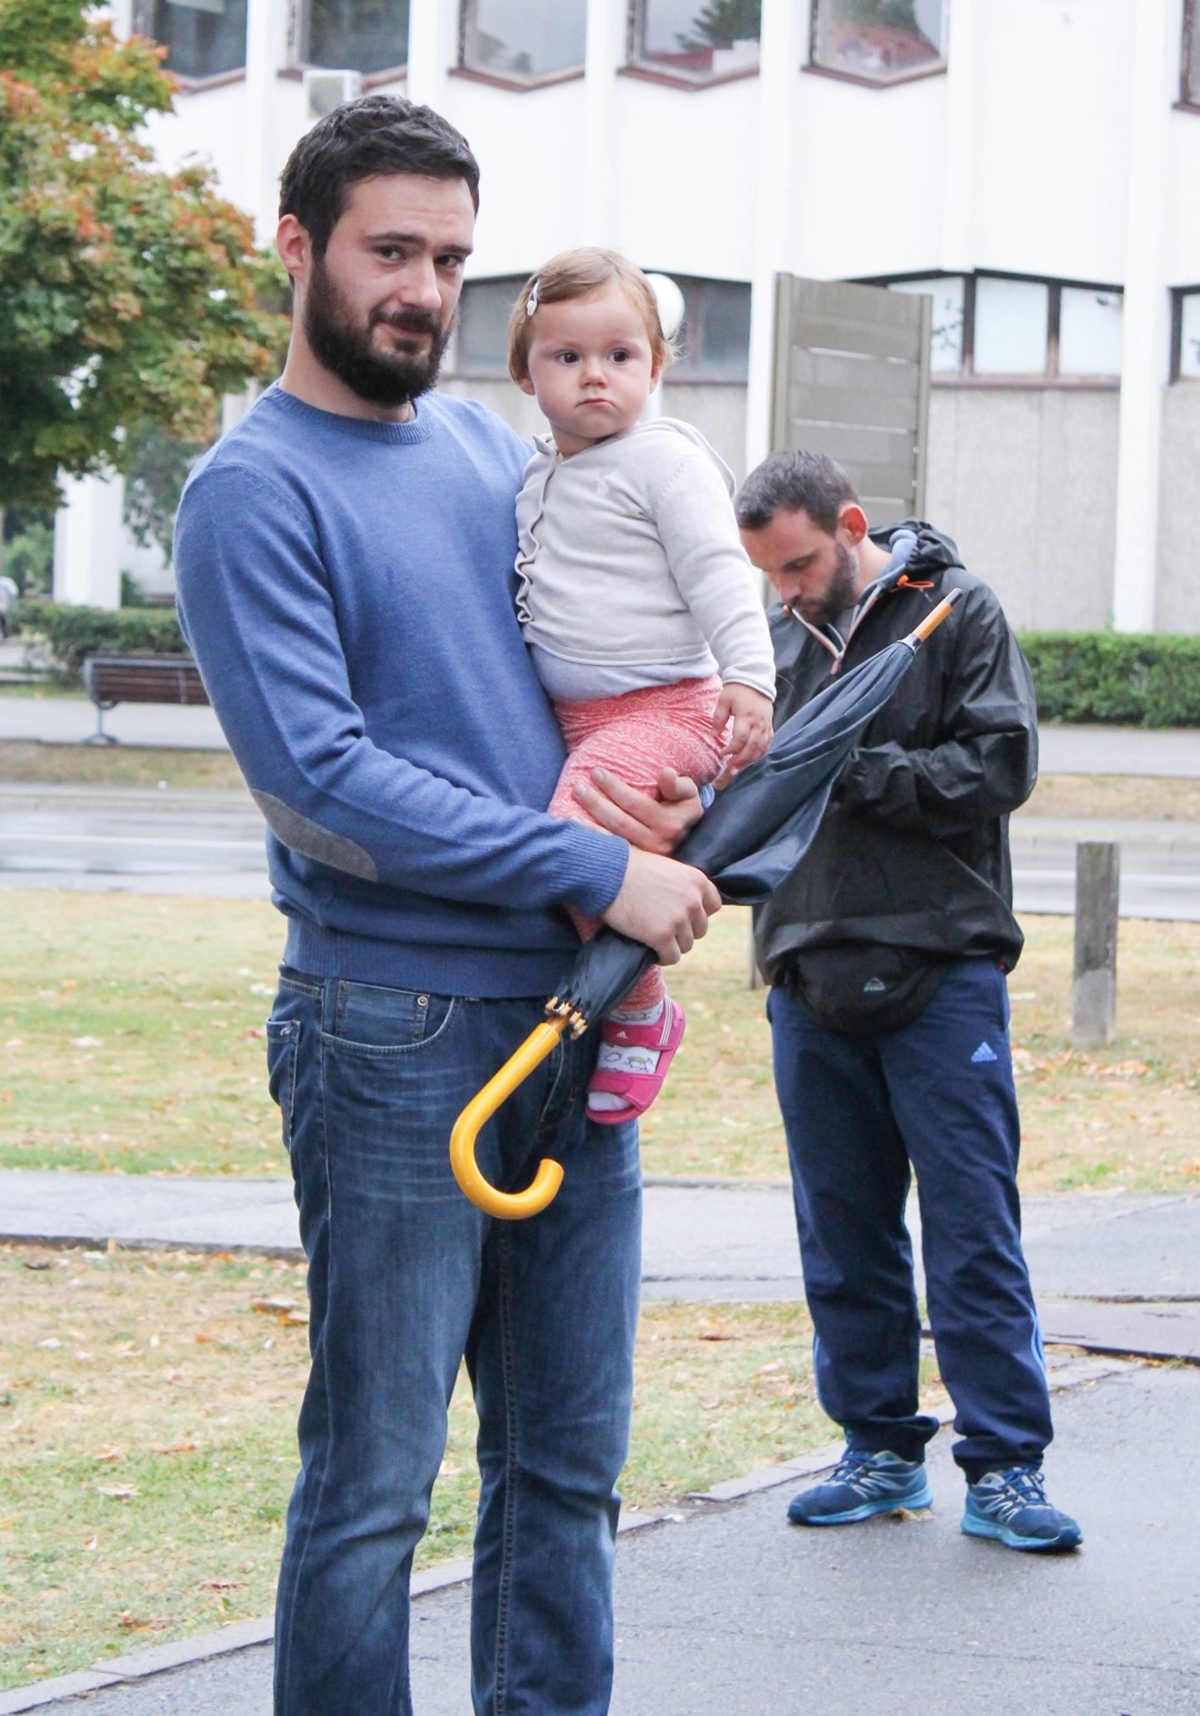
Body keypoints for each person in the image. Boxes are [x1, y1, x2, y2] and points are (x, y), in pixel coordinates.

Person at [173, 95, 720, 1716]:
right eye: (391, 251)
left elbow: (589, 679)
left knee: (566, 1467)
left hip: (574, 1019)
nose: (423, 291)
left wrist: (662, 784)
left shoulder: (498, 452)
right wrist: (594, 866)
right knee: (377, 1483)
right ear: (299, 248)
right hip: (394, 1030)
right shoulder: (251, 490)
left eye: (453, 261)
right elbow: (322, 784)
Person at [734, 449, 1082, 1555]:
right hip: (807, 968)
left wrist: (851, 770)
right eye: (769, 575)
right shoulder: (777, 639)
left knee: (972, 1229)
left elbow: (1002, 766)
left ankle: (1007, 1468)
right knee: (842, 1234)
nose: (787, 590)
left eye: (798, 565)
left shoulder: (958, 613)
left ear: (850, 526)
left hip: (944, 967)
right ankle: (878, 1449)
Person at [508, 247, 775, 1121]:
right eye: (568, 356)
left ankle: (642, 1008)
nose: (596, 375)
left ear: (655, 368)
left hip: (665, 707)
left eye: (620, 355)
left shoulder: (664, 461)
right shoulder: (538, 473)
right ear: (525, 373)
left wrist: (751, 678)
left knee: (571, 842)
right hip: (582, 718)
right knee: (576, 850)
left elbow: (720, 573)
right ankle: (623, 1000)